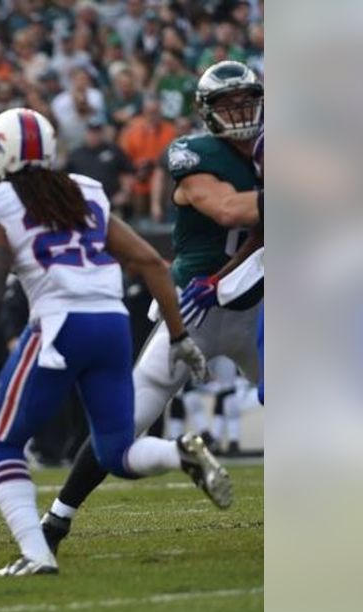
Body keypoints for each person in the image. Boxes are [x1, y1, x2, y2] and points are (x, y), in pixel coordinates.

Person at [0, 108, 219, 577]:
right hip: (111, 323)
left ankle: (37, 554)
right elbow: (152, 263)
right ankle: (179, 451)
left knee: (4, 443)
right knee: (116, 451)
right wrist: (178, 335)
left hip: (59, 325)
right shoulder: (86, 190)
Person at [42, 62, 264, 557]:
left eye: (246, 100)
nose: (240, 111)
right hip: (194, 312)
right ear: (207, 112)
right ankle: (56, 522)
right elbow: (229, 211)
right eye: (228, 103)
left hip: (256, 305)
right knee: (122, 427)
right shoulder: (193, 153)